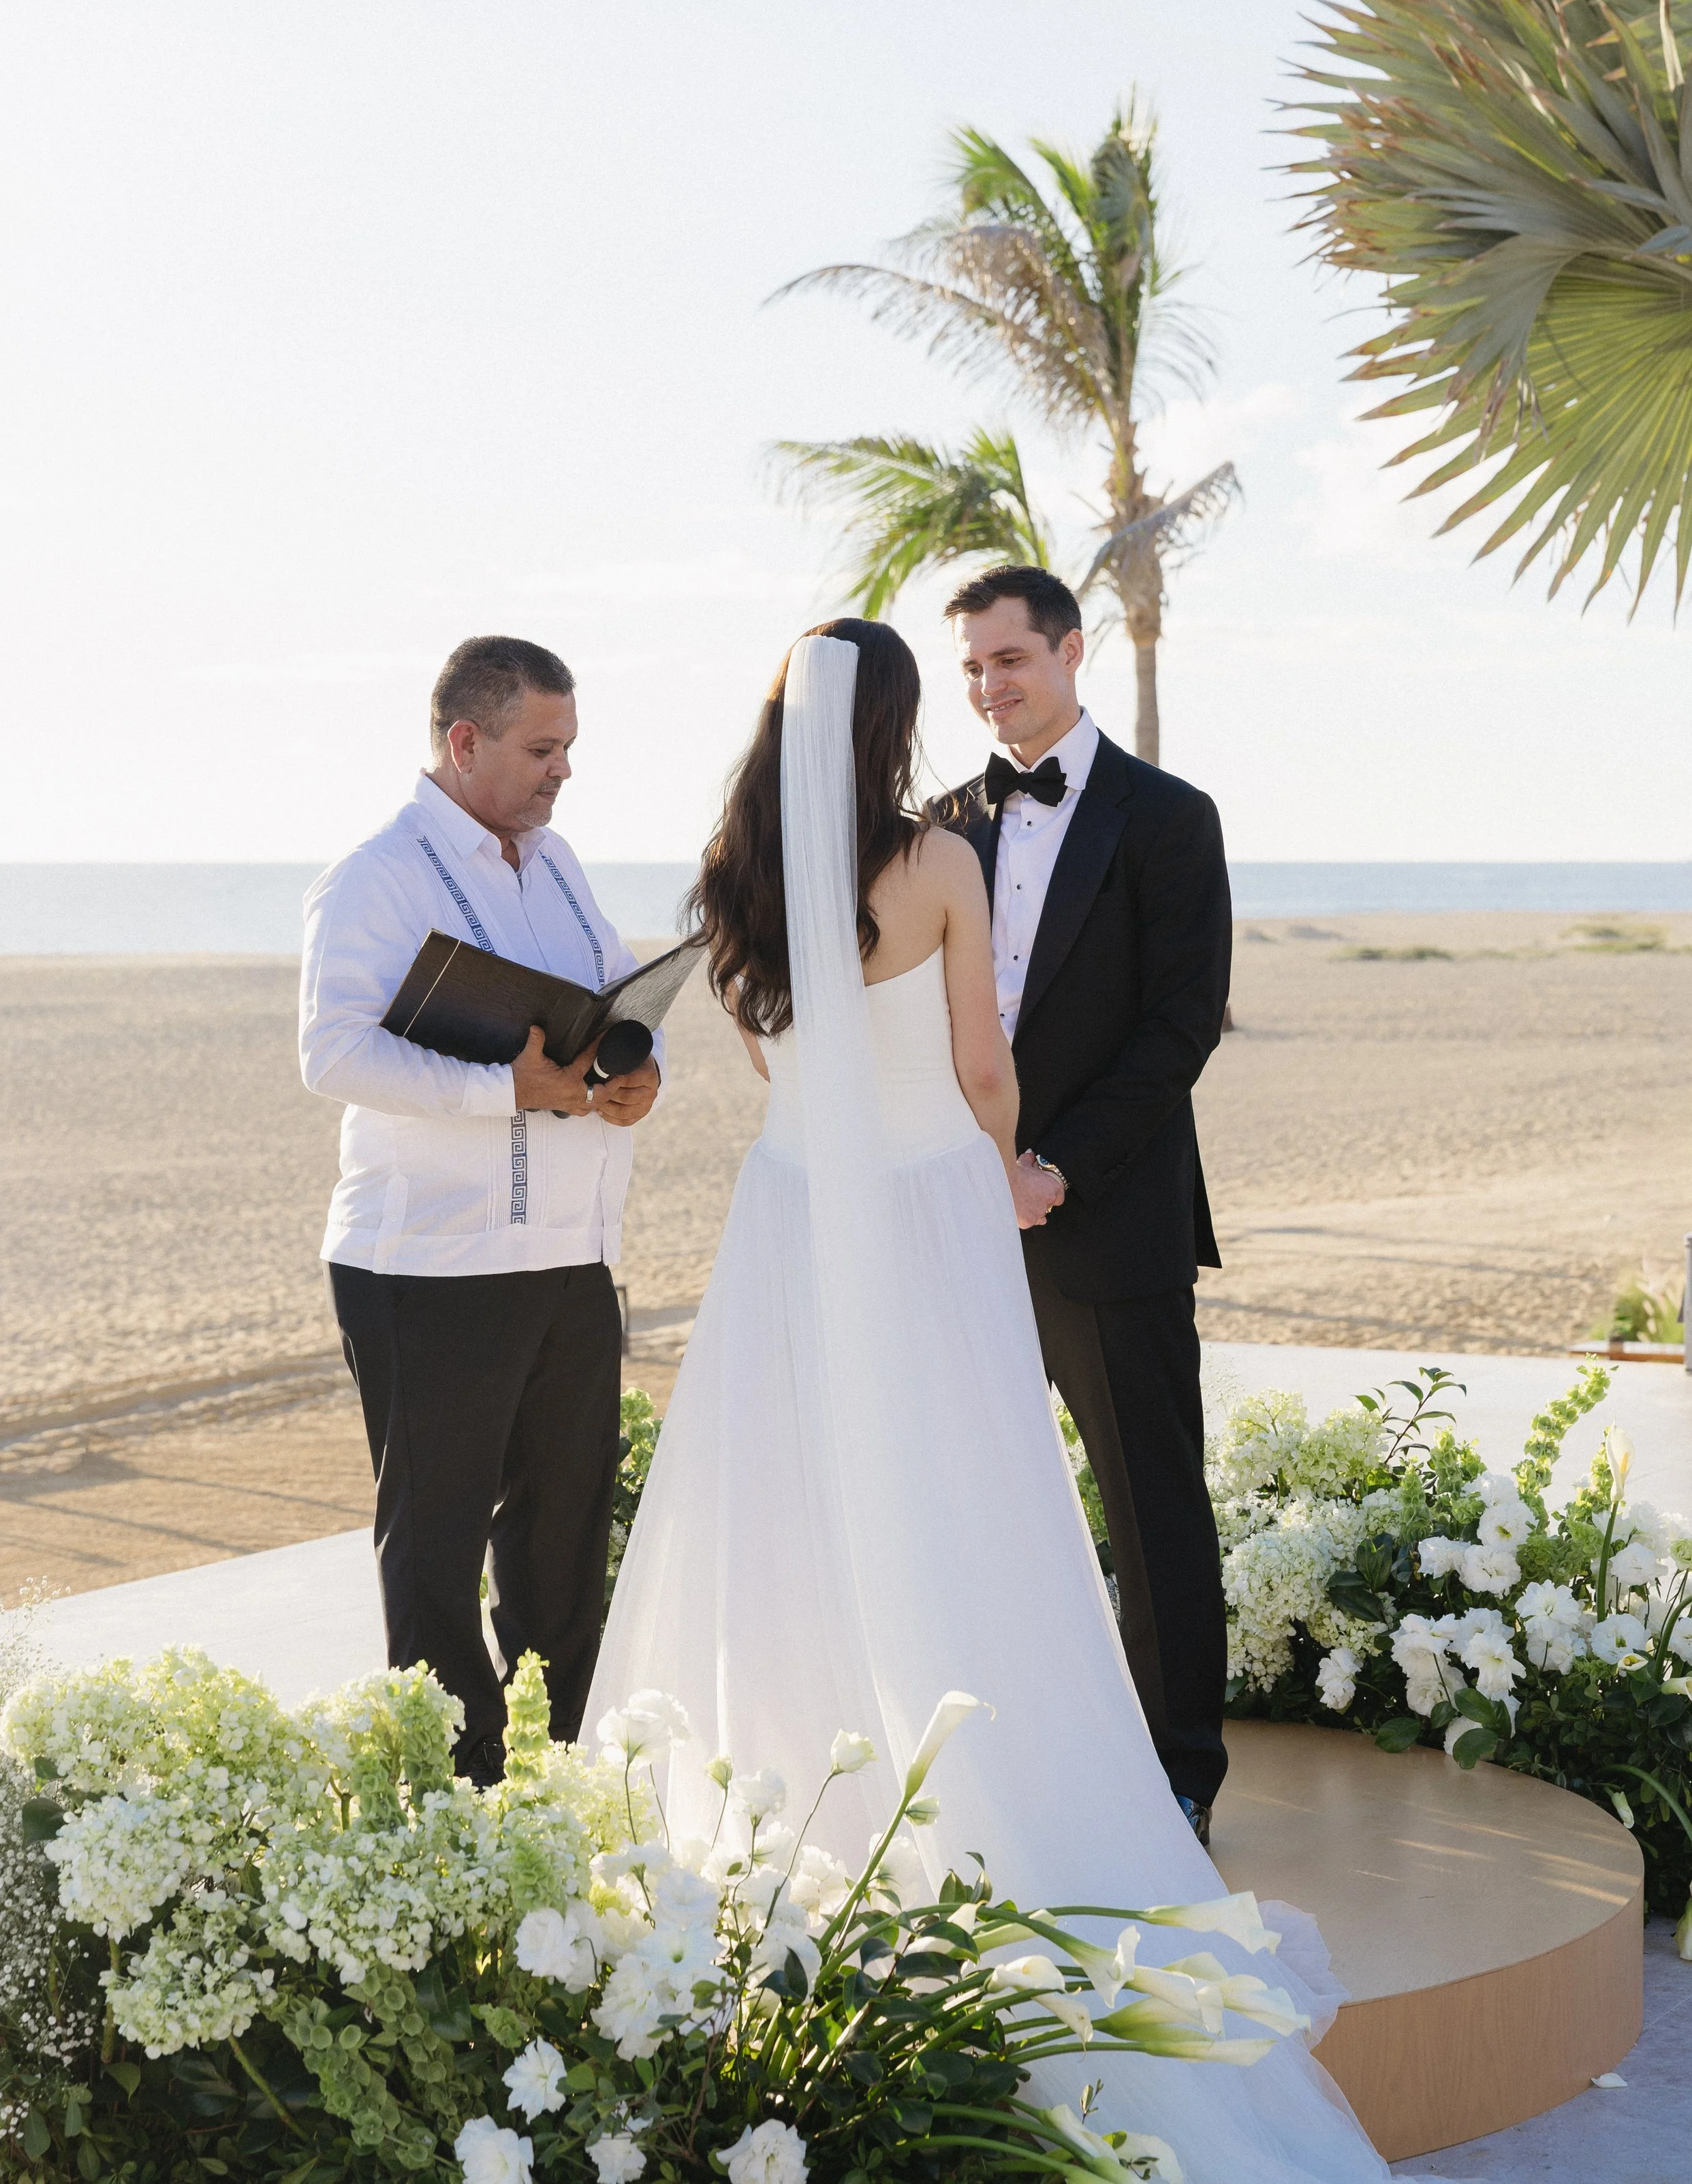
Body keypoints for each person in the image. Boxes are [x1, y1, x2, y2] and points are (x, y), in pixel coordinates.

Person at [586, 620, 1383, 2184]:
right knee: (972, 1493)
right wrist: (987, 1154)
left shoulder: (728, 871)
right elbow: (981, 1069)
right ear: (892, 721)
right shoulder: (938, 858)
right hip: (933, 1205)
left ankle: (799, 1792)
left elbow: (763, 1063)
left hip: (793, 1212)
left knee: (793, 1500)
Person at [299, 634, 662, 1783]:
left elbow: (613, 992)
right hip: (429, 1264)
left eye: (568, 747)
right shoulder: (376, 875)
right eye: (541, 747)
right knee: (438, 1554)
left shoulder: (556, 863)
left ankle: (561, 1788)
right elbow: (332, 1050)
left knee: (561, 1538)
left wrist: (633, 1070)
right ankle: (457, 1807)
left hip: (571, 1257)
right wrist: (499, 1087)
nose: (563, 771)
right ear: (465, 742)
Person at [937, 564, 1232, 1843]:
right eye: (972, 669)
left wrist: (1053, 1170)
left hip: (1106, 1223)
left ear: (1069, 651)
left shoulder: (1169, 817)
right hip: (952, 1224)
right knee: (975, 1497)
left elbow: (1178, 1028)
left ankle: (1180, 1771)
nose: (992, 687)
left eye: (1011, 659)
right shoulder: (942, 821)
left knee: (1151, 1503)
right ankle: (1007, 1760)